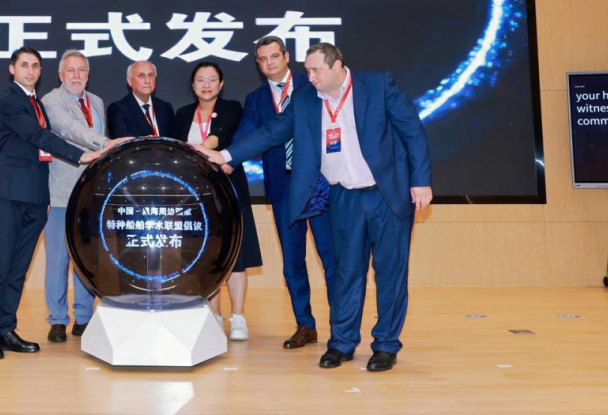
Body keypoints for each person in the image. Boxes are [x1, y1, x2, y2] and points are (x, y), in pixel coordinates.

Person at [195, 43, 432, 372]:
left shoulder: (377, 85)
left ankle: (385, 345)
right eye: (307, 70)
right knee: (346, 272)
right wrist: (226, 155)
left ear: (337, 66)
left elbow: (412, 131)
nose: (310, 77)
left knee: (390, 272)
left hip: (386, 194)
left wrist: (420, 181)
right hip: (344, 196)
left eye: (316, 70)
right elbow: (273, 130)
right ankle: (342, 343)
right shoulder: (307, 98)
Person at [0, 47, 109, 361]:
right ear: (12, 69)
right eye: (24, 65)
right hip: (9, 195)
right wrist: (81, 155)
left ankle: (6, 329)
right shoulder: (9, 101)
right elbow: (38, 137)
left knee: (19, 269)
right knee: (0, 265)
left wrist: (45, 198)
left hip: (36, 199)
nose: (31, 70)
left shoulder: (36, 103)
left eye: (35, 66)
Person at [234, 36, 337, 350]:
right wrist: (225, 156)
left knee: (330, 257)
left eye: (274, 56)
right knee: (292, 263)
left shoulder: (312, 83)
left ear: (286, 56)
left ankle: (341, 327)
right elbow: (246, 135)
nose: (269, 63)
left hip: (319, 184)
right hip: (283, 187)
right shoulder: (255, 99)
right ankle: (305, 325)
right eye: (262, 59)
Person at [171, 61, 262, 341]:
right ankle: (213, 317)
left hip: (229, 192)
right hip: (195, 197)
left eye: (212, 79)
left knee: (236, 257)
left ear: (221, 84)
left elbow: (218, 136)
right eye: (201, 79)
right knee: (207, 256)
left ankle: (238, 317)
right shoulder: (182, 114)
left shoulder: (232, 107)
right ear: (192, 85)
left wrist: (197, 149)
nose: (206, 85)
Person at [40, 50, 125, 343]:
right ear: (60, 75)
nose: (76, 76)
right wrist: (104, 142)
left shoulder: (96, 102)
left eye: (81, 70)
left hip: (91, 195)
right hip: (60, 194)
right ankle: (57, 320)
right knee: (58, 261)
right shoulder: (51, 100)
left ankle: (84, 317)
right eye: (70, 70)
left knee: (87, 259)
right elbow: (69, 128)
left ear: (88, 75)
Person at [107, 60, 174, 138]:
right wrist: (147, 141)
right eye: (141, 76)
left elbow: (175, 139)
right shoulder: (118, 108)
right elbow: (121, 138)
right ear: (129, 81)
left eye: (150, 75)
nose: (147, 81)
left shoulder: (165, 107)